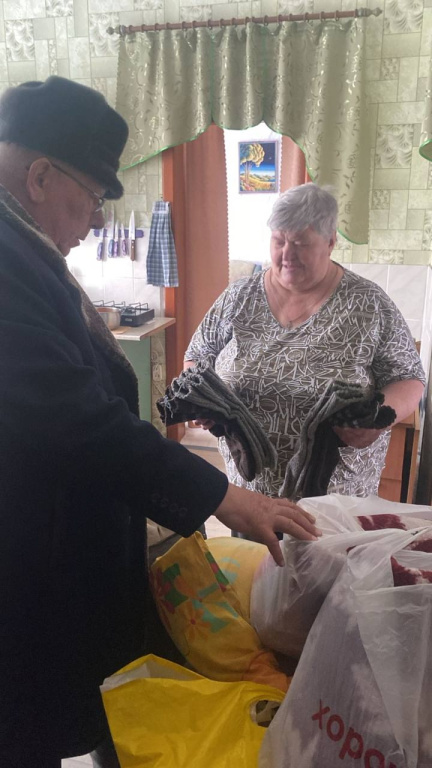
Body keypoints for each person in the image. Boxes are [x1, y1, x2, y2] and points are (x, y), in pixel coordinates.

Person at [0, 79, 320, 768]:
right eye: (93, 198)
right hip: (28, 556)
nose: (95, 220)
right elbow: (76, 419)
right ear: (40, 177)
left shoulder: (24, 246)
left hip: (56, 539)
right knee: (28, 722)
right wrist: (223, 496)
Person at [185, 183, 425, 500]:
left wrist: (377, 420)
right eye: (279, 241)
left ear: (330, 242)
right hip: (250, 494)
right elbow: (198, 356)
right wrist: (202, 399)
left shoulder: (368, 304)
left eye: (301, 243)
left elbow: (409, 378)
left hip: (336, 499)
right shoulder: (239, 297)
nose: (287, 255)